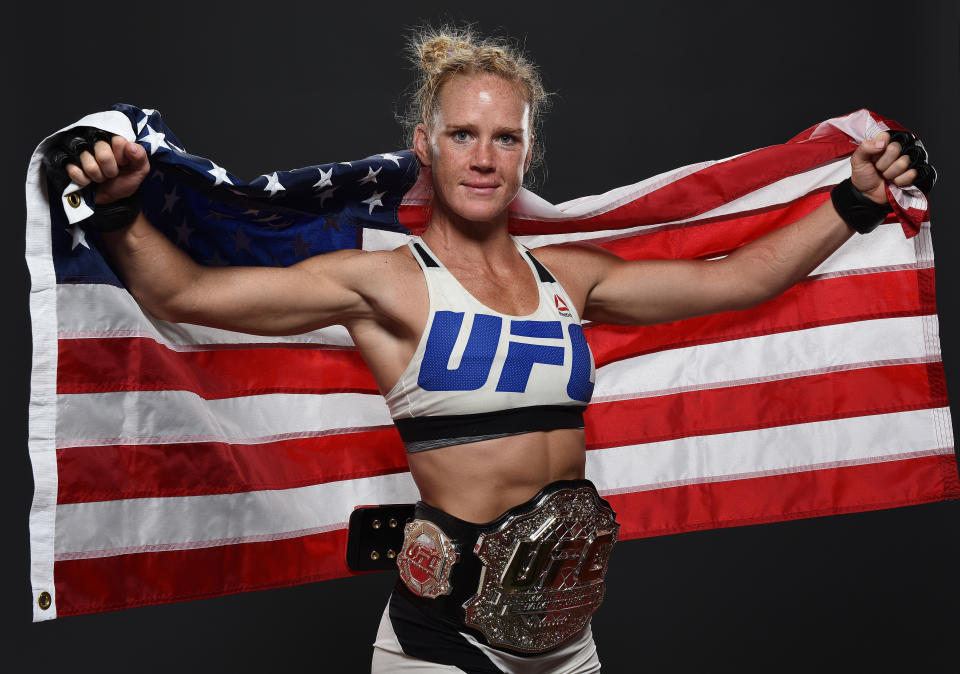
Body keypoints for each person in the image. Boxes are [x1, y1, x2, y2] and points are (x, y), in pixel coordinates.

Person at [42, 27, 934, 674]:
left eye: (504, 136)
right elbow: (184, 295)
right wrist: (119, 208)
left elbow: (737, 281)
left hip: (569, 640)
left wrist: (853, 202)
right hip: (444, 643)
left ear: (527, 151)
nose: (483, 155)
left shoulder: (569, 278)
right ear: (425, 145)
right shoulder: (384, 281)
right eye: (462, 134)